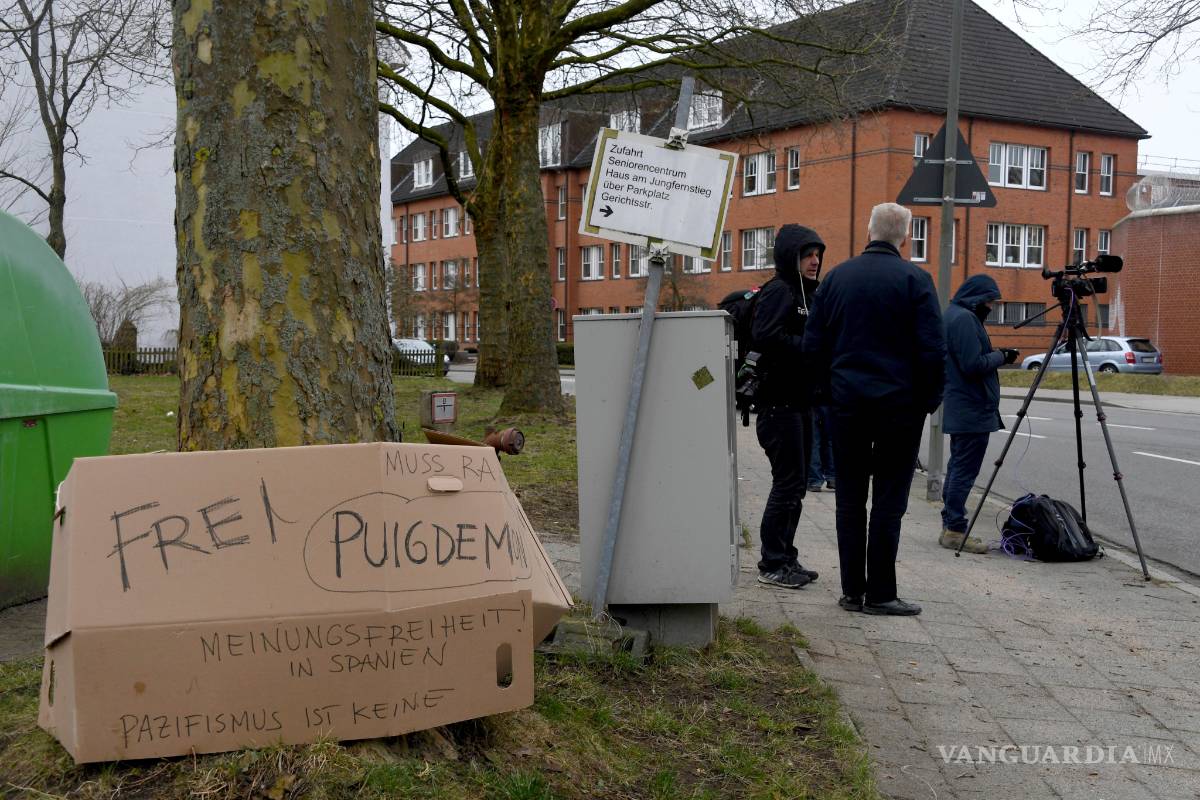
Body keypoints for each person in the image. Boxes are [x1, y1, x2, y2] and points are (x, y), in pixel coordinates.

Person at [803, 203, 946, 616]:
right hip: (899, 408)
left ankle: (851, 591)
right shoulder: (916, 280)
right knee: (888, 500)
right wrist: (928, 399)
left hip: (846, 405)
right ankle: (881, 592)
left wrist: (825, 393)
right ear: (905, 237)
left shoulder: (836, 279)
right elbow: (932, 350)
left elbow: (814, 344)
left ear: (868, 231)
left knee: (848, 498)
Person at [750, 224, 825, 589]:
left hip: (800, 403)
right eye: (807, 255)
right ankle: (771, 563)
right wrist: (807, 346)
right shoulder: (780, 290)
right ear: (791, 257)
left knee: (795, 487)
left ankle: (786, 556)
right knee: (787, 484)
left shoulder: (807, 293)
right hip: (778, 405)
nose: (814, 261)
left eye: (817, 255)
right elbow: (765, 335)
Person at [939, 275, 1020, 553]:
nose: (991, 307)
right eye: (989, 302)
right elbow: (972, 364)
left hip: (965, 406)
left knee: (957, 467)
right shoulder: (963, 319)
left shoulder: (956, 315)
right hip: (971, 407)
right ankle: (955, 530)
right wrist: (1002, 356)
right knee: (963, 470)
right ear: (977, 298)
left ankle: (951, 525)